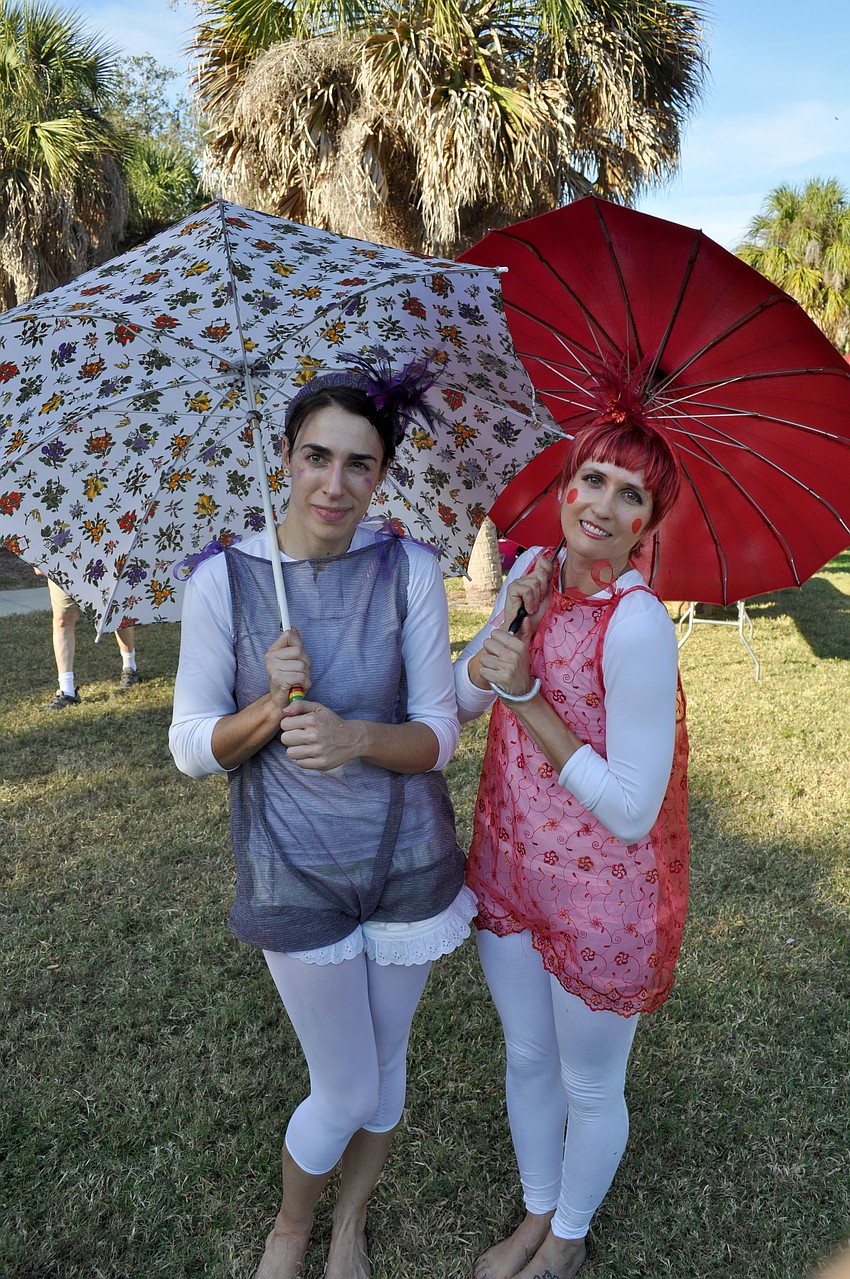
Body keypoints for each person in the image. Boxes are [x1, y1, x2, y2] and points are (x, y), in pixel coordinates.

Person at [169, 353, 475, 1279]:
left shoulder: (409, 570)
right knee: (344, 1086)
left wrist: (354, 738)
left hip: (408, 861)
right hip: (294, 869)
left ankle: (349, 1223)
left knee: (387, 1068)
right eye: (316, 457)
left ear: (382, 475)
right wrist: (269, 704)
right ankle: (291, 1227)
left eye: (358, 463)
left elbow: (439, 734)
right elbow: (191, 747)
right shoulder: (223, 581)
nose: (333, 484)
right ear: (286, 460)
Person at [454, 413, 689, 1279]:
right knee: (527, 1055)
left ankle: (568, 1236)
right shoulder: (533, 579)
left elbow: (631, 809)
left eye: (631, 495)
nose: (603, 504)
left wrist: (527, 697)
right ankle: (538, 1208)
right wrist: (507, 622)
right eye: (592, 478)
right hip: (511, 868)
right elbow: (462, 698)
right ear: (563, 488)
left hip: (602, 896)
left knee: (589, 1083)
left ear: (647, 524)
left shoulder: (638, 624)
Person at [40, 575, 139, 709]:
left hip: (104, 564)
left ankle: (130, 667)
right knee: (63, 619)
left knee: (116, 612)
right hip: (62, 565)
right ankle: (67, 691)